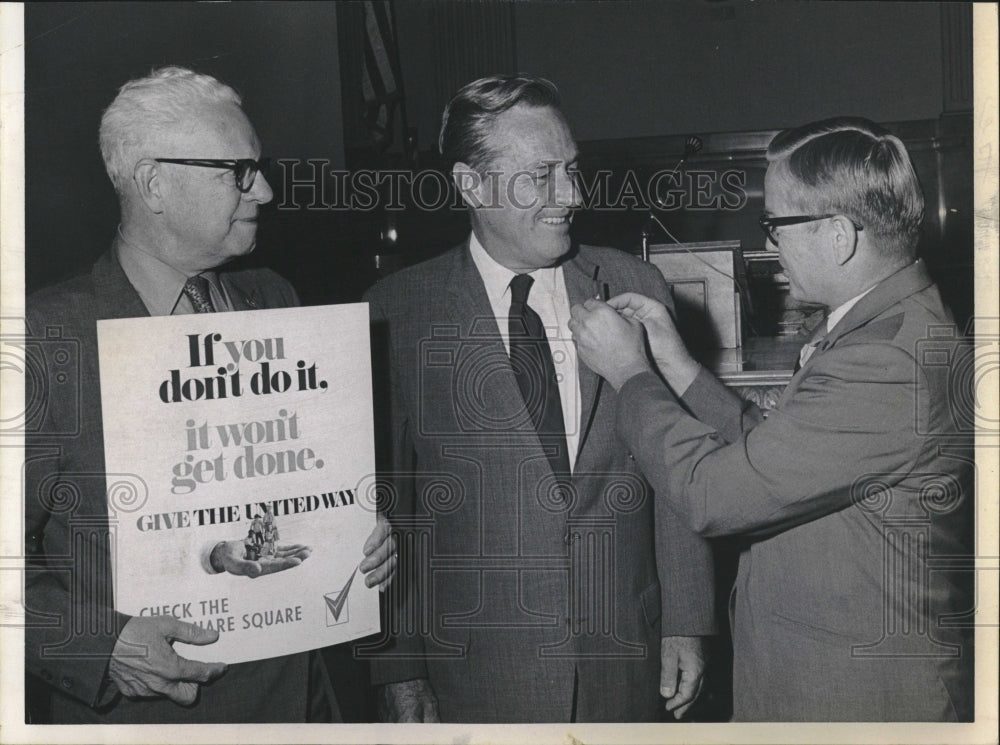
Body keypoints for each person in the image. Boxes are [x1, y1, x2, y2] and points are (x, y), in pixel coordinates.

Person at [24, 66, 396, 723]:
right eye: (239, 171)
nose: (268, 190)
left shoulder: (275, 296)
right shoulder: (44, 339)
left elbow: (300, 485)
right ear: (154, 183)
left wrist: (358, 537)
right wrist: (100, 645)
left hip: (304, 708)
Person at [569, 117, 973, 721]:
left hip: (855, 703)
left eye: (775, 224)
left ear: (838, 236)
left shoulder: (886, 360)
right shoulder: (888, 325)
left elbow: (712, 494)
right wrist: (677, 365)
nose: (769, 245)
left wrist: (631, 374)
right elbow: (783, 456)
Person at [363, 74, 715, 723]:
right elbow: (391, 502)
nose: (572, 195)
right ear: (471, 184)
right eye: (542, 175)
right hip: (477, 668)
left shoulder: (635, 284)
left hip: (625, 654)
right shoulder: (398, 309)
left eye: (573, 170)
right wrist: (399, 666)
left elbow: (677, 470)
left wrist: (686, 620)